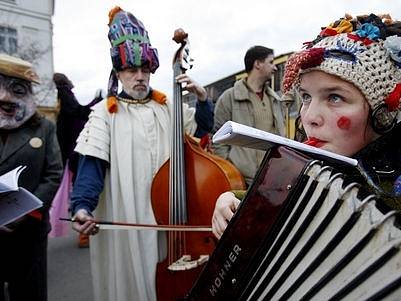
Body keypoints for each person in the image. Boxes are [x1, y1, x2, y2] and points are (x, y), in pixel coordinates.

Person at [212, 13, 401, 239]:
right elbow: (279, 196)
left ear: (383, 113)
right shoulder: (310, 168)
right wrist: (232, 199)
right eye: (306, 97)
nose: (309, 116)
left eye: (334, 97)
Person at [70, 7, 213, 301]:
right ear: (119, 73)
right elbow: (91, 166)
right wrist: (82, 207)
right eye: (132, 71)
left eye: (145, 70)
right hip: (128, 217)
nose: (140, 77)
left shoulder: (166, 107)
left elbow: (199, 134)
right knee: (133, 284)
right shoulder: (104, 114)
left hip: (170, 217)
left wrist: (201, 99)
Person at [0, 54, 63, 300]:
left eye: (15, 88)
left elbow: (53, 173)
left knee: (30, 293)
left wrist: (22, 211)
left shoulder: (44, 128)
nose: (5, 97)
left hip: (29, 233)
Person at [213, 46, 285, 185]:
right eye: (271, 62)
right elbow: (218, 141)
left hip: (272, 178)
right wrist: (230, 173)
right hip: (241, 181)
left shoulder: (276, 100)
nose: (275, 68)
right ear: (257, 64)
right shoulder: (228, 98)